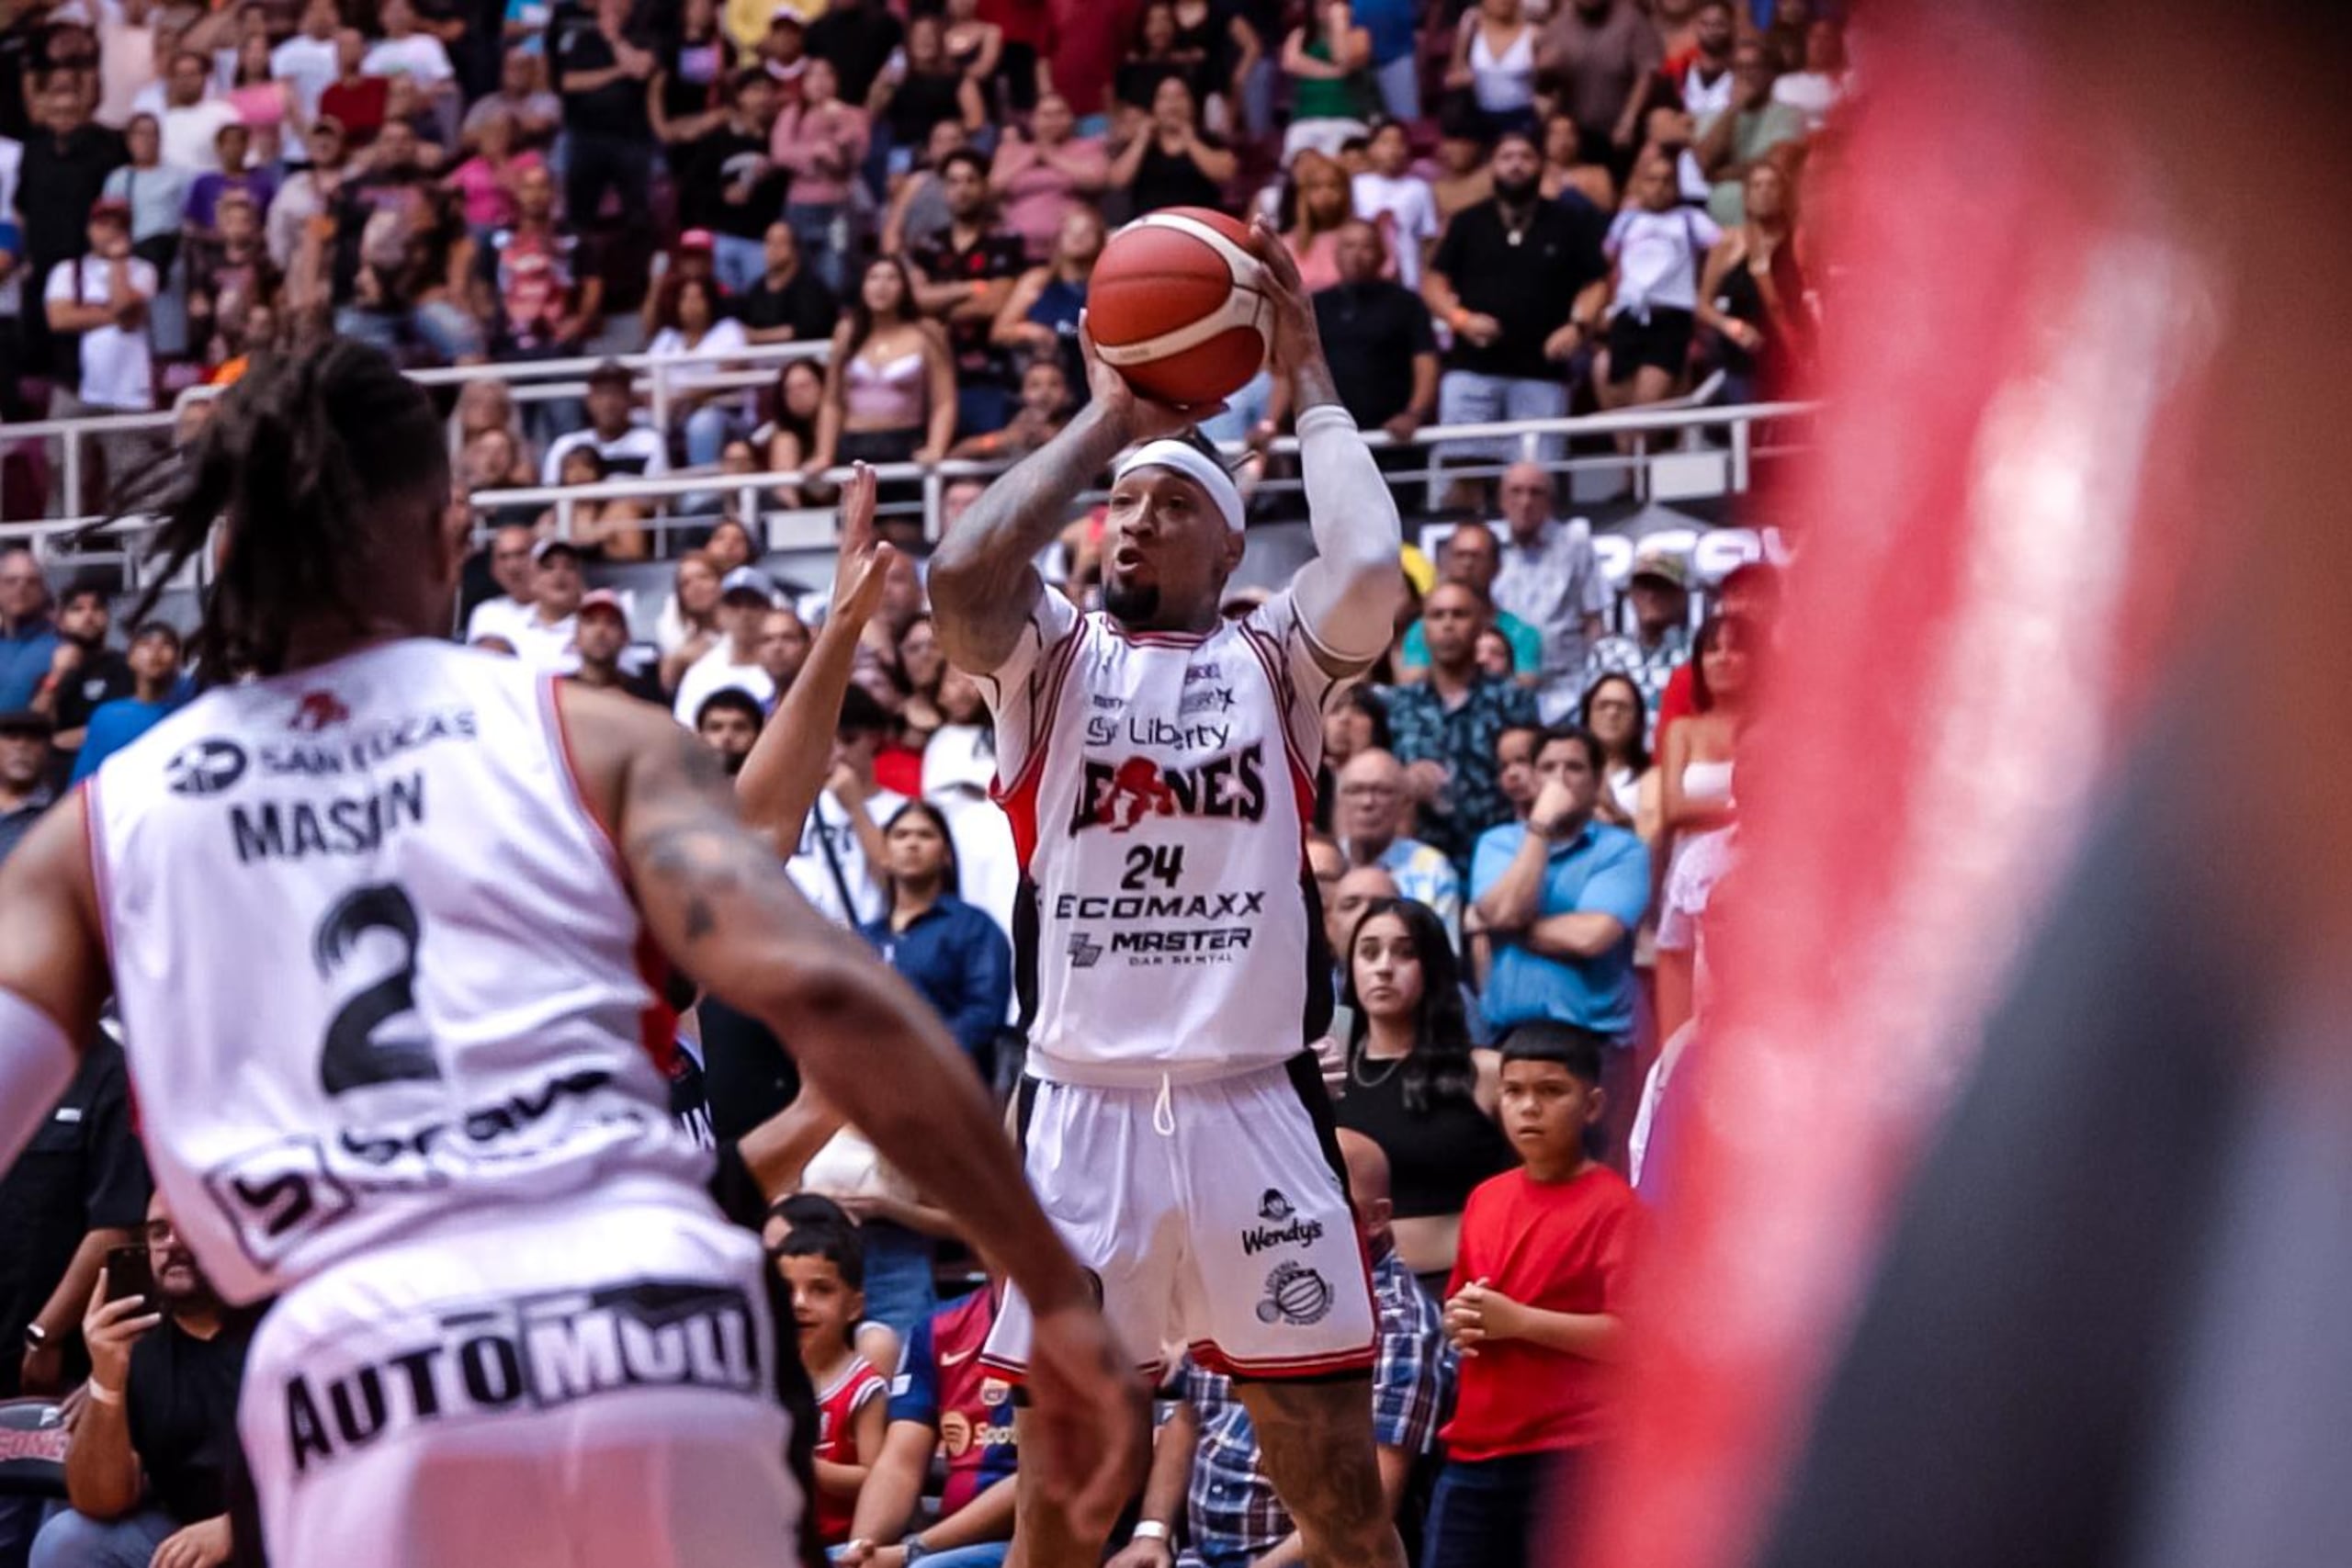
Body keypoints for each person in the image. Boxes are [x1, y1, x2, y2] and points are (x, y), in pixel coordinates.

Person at [0, 341, 1143, 1566]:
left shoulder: (104, 827)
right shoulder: (585, 736)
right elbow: (834, 992)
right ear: (447, 535)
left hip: (366, 1375)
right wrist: (1055, 1294)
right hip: (654, 1338)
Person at [928, 217, 1406, 1568]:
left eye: (1172, 503)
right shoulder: (1052, 660)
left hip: (1253, 1106)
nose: (1136, 520)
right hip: (1080, 1120)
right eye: (1123, 504)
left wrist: (1306, 379)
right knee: (1063, 1514)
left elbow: (1368, 567)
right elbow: (961, 577)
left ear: (1228, 551)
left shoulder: (1276, 660)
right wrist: (1104, 424)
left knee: (1341, 1502)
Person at [1115, 1130, 1451, 1568]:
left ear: (1375, 1217)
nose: (1296, 1208)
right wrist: (1151, 1535)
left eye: (1320, 1189)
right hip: (1193, 1556)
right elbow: (1188, 1415)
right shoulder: (1245, 1281)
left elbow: (1373, 1503)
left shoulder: (1400, 1325)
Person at [1427, 1024, 1637, 1568]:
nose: (1528, 1108)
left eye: (1550, 1091)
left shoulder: (1616, 1207)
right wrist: (1461, 1321)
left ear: (1592, 1105)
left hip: (1570, 1457)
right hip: (1474, 1448)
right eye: (1514, 1092)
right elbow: (1463, 1310)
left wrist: (1518, 1321)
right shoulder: (1485, 1198)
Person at [35, 1194, 247, 1568]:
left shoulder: (281, 1328)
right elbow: (100, 1500)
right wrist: (106, 1379)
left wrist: (242, 1526)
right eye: (158, 1232)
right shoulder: (137, 1344)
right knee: (69, 1539)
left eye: (188, 1224)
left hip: (292, 1538)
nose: (172, 1243)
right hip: (186, 1544)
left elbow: (358, 1478)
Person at [1469, 727, 1649, 1133]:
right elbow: (1507, 911)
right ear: (1531, 777)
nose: (1560, 779)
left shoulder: (1623, 849)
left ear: (1598, 779)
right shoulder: (1497, 843)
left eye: (1574, 768)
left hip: (1597, 1047)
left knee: (1598, 1178)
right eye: (1548, 768)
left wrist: (1507, 928)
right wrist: (1540, 827)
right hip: (1511, 1043)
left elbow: (1592, 937)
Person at [1330, 899, 1512, 1282]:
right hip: (1353, 1294)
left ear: (1432, 966)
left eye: (1405, 953)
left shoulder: (1485, 1072)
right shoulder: (1328, 1076)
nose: (1383, 967)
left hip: (1463, 1288)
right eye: (1368, 952)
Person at [1420, 130, 1606, 472]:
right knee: (1463, 475)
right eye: (1507, 157)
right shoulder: (1468, 221)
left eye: (1525, 157)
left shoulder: (1568, 222)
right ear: (1492, 166)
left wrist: (1578, 327)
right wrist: (1460, 319)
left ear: (1541, 166)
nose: (1516, 166)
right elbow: (1433, 282)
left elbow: (1596, 282)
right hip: (1472, 370)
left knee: (1537, 480)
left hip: (1542, 372)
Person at [839, 1270, 1020, 1568]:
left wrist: (912, 1550)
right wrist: (860, 1553)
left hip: (1037, 1539)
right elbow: (899, 1463)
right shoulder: (937, 1326)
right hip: (943, 1543)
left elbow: (1042, 1477)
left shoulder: (1074, 1327)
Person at [1381, 581, 1541, 872]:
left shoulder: (1513, 700)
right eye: (1437, 615)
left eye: (1459, 614)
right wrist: (1404, 780)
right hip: (1420, 863)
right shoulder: (1399, 704)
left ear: (1481, 625)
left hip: (1497, 860)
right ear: (1423, 627)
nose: (1448, 625)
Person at [858, 799, 1012, 1072]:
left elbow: (984, 1013)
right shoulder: (866, 937)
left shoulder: (974, 928)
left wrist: (918, 1056)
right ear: (884, 852)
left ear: (946, 855)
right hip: (869, 1087)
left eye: (925, 835)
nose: (912, 844)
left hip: (950, 1088)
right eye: (901, 835)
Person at [1654, 614, 1746, 1052]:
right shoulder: (1682, 729)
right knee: (1689, 983)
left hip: (1752, 863)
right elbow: (1673, 807)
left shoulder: (1776, 725)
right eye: (1712, 649)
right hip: (1690, 870)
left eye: (1735, 647)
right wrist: (1743, 804)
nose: (1723, 658)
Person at [777, 1224, 890, 1550]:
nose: (799, 1303)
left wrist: (804, 1464)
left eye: (820, 1290)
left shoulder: (863, 1386)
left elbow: (875, 1478)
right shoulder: (767, 1378)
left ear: (854, 1307)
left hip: (837, 1544)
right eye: (786, 1290)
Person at [909, 148, 1030, 437]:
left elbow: (995, 302)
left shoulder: (1005, 241)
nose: (961, 189)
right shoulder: (927, 245)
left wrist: (936, 307)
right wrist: (970, 288)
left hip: (993, 376)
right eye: (953, 182)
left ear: (984, 186)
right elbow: (914, 301)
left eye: (970, 180)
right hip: (933, 379)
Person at [1595, 149, 1722, 420]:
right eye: (1652, 180)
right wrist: (1605, 306)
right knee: (1619, 397)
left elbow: (1724, 246)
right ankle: (1631, 462)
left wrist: (1705, 293)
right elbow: (1605, 263)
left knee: (1647, 403)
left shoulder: (1690, 219)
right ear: (1640, 184)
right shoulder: (1626, 220)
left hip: (1670, 316)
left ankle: (1642, 456)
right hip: (1629, 315)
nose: (1660, 187)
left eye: (1667, 180)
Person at [807, 256, 959, 473]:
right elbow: (831, 401)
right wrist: (824, 454)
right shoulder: (847, 332)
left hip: (905, 442)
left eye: (891, 278)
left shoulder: (926, 331)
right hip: (854, 443)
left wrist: (936, 447)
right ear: (862, 285)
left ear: (904, 286)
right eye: (873, 278)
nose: (881, 286)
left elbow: (944, 400)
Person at [1488, 465, 1610, 716]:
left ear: (1550, 502)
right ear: (1502, 500)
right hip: (1503, 686)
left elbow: (1593, 621)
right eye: (1516, 492)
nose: (1525, 502)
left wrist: (1592, 681)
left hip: (1566, 687)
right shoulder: (1487, 546)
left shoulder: (1575, 544)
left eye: (1536, 493)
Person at [1697, 159, 1812, 403]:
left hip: (1792, 352)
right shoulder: (1730, 242)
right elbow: (1702, 304)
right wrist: (1732, 327)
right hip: (1745, 359)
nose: (1764, 193)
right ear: (1746, 197)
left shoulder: (1801, 242)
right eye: (1757, 186)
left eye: (1772, 185)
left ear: (1783, 193)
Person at [1333, 750, 1462, 943]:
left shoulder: (1434, 868)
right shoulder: (1323, 863)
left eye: (1382, 791)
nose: (1368, 802)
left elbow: (1444, 962)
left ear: (1404, 803)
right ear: (1339, 801)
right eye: (1356, 790)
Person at [772, 56, 870, 297]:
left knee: (836, 271)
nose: (820, 82)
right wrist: (816, 152)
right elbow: (780, 153)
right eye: (812, 76)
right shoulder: (792, 114)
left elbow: (857, 155)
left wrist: (839, 122)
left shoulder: (853, 114)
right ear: (803, 83)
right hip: (800, 205)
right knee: (799, 270)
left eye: (827, 75)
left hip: (838, 206)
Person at [1396, 524, 1541, 682]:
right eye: (1460, 555)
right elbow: (1410, 686)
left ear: (1497, 565)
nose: (1467, 563)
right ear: (1445, 563)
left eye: (1476, 556)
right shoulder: (1422, 630)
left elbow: (1526, 688)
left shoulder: (1522, 633)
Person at [990, 205, 1102, 404]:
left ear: (1100, 239)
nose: (1078, 237)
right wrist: (1033, 332)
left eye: (1086, 231)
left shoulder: (1105, 285)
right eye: (1071, 231)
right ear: (1059, 238)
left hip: (1089, 384)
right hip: (1041, 384)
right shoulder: (1039, 280)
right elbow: (1000, 331)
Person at [1580, 547, 1691, 740]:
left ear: (1680, 596)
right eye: (1643, 587)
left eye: (1660, 586)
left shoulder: (1696, 651)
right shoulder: (1606, 652)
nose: (1651, 596)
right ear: (1630, 595)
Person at [1533, 0, 1662, 166]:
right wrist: (1545, 70)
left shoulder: (1632, 21)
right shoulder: (1559, 23)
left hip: (1618, 132)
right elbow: (1543, 86)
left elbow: (1646, 73)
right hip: (1574, 134)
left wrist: (1629, 119)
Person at [1693, 39, 1804, 227]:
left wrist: (1721, 174)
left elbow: (1775, 166)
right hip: (1723, 226)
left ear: (1769, 73)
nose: (1746, 74)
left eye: (1754, 66)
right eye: (1739, 67)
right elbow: (1704, 164)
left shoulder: (1788, 114)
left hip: (1773, 217)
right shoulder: (1714, 117)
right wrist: (1734, 108)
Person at [989, 93, 1107, 263]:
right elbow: (993, 188)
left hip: (1071, 248)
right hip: (1016, 248)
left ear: (1071, 119)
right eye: (1046, 115)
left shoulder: (1087, 147)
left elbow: (1098, 180)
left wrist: (1052, 156)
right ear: (1033, 120)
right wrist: (1029, 158)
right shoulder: (1011, 150)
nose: (1053, 121)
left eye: (1060, 113)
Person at [66, 623, 184, 784]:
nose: (155, 652)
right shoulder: (108, 717)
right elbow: (84, 783)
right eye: (146, 644)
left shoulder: (190, 714)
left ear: (178, 659)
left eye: (166, 645)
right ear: (130, 658)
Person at [673, 566, 786, 726]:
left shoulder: (787, 670)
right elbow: (686, 731)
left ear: (770, 610)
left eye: (753, 604)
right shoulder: (700, 674)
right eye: (734, 605)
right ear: (720, 612)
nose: (744, 614)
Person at [1107, 76, 1236, 216]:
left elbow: (1225, 173)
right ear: (1154, 107)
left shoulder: (1208, 139)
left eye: (1179, 96)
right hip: (1150, 225)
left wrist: (1190, 139)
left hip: (1198, 225)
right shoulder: (1142, 144)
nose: (1172, 105)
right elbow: (1117, 181)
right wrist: (1142, 139)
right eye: (1164, 98)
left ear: (1192, 104)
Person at [541, 360, 669, 482]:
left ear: (630, 399)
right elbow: (551, 497)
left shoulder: (650, 443)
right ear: (589, 400)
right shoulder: (565, 446)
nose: (608, 403)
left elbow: (654, 499)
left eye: (616, 393)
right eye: (601, 394)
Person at [1348, 119, 1438, 291]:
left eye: (1400, 142)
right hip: (1364, 279)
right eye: (1385, 142)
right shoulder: (1356, 185)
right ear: (1371, 149)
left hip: (1409, 280)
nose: (1393, 150)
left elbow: (1428, 240)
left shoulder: (1419, 189)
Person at [1279, 1, 1374, 162]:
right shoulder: (1300, 35)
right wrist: (1334, 72)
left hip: (1346, 118)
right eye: (1319, 4)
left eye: (1331, 4)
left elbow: (1342, 57)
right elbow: (1291, 62)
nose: (1324, 9)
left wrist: (1338, 24)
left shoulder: (1359, 35)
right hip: (1306, 120)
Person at [1445, 0, 1538, 140]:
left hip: (1522, 118)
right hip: (1480, 119)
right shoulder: (1472, 31)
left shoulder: (1534, 35)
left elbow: (1549, 85)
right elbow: (1452, 78)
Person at [738, 220, 841, 345]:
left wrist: (756, 336)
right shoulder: (756, 289)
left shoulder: (811, 287)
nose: (772, 249)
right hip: (760, 360)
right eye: (768, 242)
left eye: (779, 243)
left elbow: (806, 329)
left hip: (806, 358)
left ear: (795, 249)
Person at [1577, 673, 1652, 833]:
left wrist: (1614, 811)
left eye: (1623, 707)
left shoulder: (1652, 776)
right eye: (1603, 705)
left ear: (1638, 720)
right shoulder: (1565, 767)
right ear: (1587, 714)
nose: (1612, 713)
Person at [566, 591, 662, 705]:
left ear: (625, 636)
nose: (600, 631)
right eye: (590, 621)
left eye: (611, 622)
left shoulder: (645, 696)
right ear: (576, 636)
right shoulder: (561, 693)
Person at [507, 536, 585, 672]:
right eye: (549, 567)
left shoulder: (593, 630)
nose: (559, 574)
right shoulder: (510, 628)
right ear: (532, 580)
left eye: (569, 566)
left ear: (580, 580)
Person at [0, 551, 60, 714]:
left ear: (42, 590)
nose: (21, 588)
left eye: (31, 582)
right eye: (11, 581)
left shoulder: (62, 647)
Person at [695, 687, 766, 775]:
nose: (727, 737)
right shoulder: (680, 784)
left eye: (739, 728)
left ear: (758, 735)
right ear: (699, 735)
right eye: (716, 728)